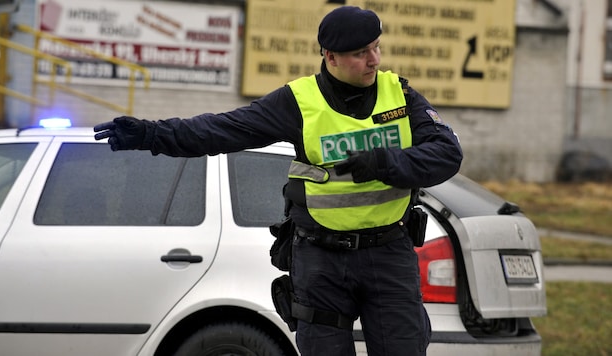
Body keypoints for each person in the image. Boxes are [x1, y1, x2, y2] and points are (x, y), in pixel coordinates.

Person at [94, 6, 462, 356]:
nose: (375, 60)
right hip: (322, 261)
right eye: (361, 53)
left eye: (376, 48)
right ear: (330, 56)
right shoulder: (298, 102)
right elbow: (221, 130)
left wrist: (385, 162)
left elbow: (447, 154)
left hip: (389, 253)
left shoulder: (400, 95)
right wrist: (150, 135)